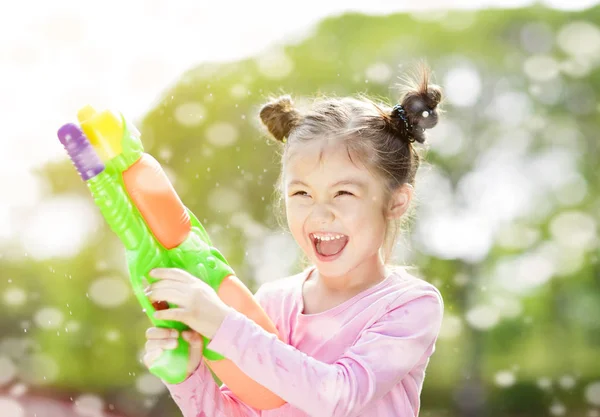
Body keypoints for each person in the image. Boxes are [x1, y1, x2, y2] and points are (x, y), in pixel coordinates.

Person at [142, 64, 445, 417]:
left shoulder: (410, 306)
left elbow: (339, 395)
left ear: (396, 202)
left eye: (344, 192)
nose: (319, 213)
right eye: (302, 192)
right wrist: (188, 376)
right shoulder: (273, 301)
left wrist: (221, 324)